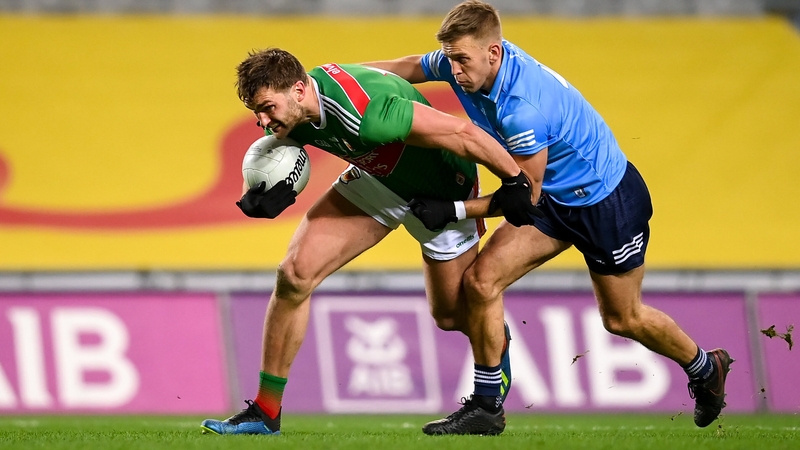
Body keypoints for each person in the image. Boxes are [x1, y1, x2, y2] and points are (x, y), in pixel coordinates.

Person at [365, 0, 733, 433]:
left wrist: (453, 210)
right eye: (451, 59)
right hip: (553, 197)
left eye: (462, 60)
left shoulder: (522, 108)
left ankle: (706, 367)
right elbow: (407, 67)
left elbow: (521, 198)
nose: (455, 71)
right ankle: (486, 405)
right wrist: (339, 79)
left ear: (494, 53)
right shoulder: (467, 60)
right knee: (482, 282)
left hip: (604, 203)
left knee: (622, 319)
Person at [200, 47, 540, 436]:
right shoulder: (292, 111)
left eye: (267, 108)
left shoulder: (368, 113)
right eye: (255, 111)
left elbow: (462, 132)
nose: (262, 121)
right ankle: (265, 411)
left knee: (451, 316)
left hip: (441, 193)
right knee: (294, 275)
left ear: (298, 90)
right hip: (376, 181)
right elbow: (267, 157)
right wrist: (253, 198)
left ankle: (491, 371)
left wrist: (514, 180)